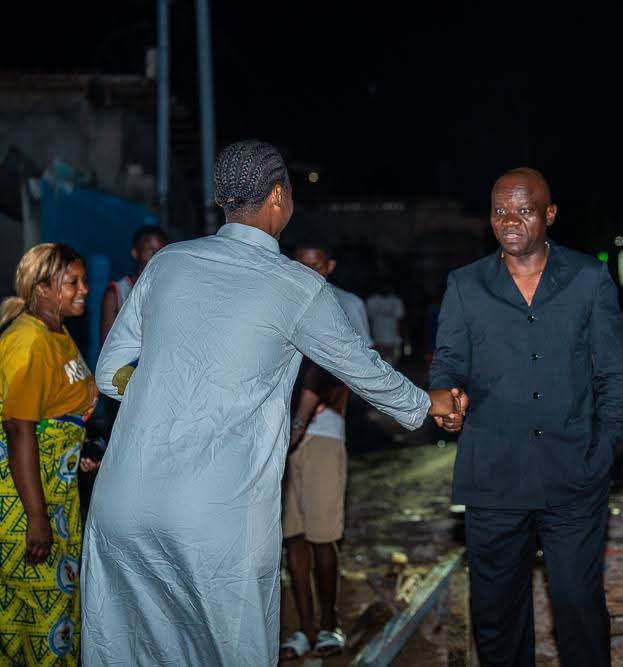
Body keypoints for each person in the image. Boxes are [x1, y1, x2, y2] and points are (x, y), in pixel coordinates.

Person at [81, 139, 466, 665]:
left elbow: (109, 372)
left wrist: (167, 392)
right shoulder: (297, 286)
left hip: (122, 502)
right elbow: (363, 370)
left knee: (134, 653)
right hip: (215, 516)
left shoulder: (169, 262)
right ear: (279, 196)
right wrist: (429, 403)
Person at [429, 168, 623, 667]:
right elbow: (448, 362)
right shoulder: (466, 284)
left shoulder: (588, 278)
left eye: (523, 210)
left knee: (578, 605)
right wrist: (447, 397)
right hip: (493, 473)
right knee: (497, 614)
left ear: (550, 214)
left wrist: (604, 449)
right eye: (500, 211)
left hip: (573, 471)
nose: (510, 221)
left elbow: (614, 373)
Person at [0, 243, 101, 665]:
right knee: (38, 625)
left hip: (56, 494)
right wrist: (37, 518)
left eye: (84, 280)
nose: (84, 289)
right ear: (42, 288)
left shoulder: (56, 333)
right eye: (72, 282)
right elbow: (19, 430)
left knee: (57, 619)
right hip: (26, 502)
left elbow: (58, 413)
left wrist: (79, 451)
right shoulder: (28, 341)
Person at [279, 241, 372, 660]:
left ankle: (330, 623)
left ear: (330, 266)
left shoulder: (346, 304)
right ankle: (305, 627)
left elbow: (353, 364)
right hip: (279, 436)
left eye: (317, 265)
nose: (309, 272)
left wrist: (308, 414)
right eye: (302, 265)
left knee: (323, 536)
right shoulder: (279, 300)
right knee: (292, 537)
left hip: (323, 432)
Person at [99, 225, 167, 345]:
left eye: (161, 251)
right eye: (151, 251)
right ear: (135, 253)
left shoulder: (169, 289)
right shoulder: (117, 292)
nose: (157, 256)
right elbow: (107, 346)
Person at [365, 281, 405, 366]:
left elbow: (400, 320)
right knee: (379, 363)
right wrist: (370, 337)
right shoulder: (372, 300)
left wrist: (400, 337)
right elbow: (368, 320)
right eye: (383, 286)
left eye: (388, 286)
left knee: (393, 363)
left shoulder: (396, 300)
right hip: (377, 338)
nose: (385, 288)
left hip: (393, 338)